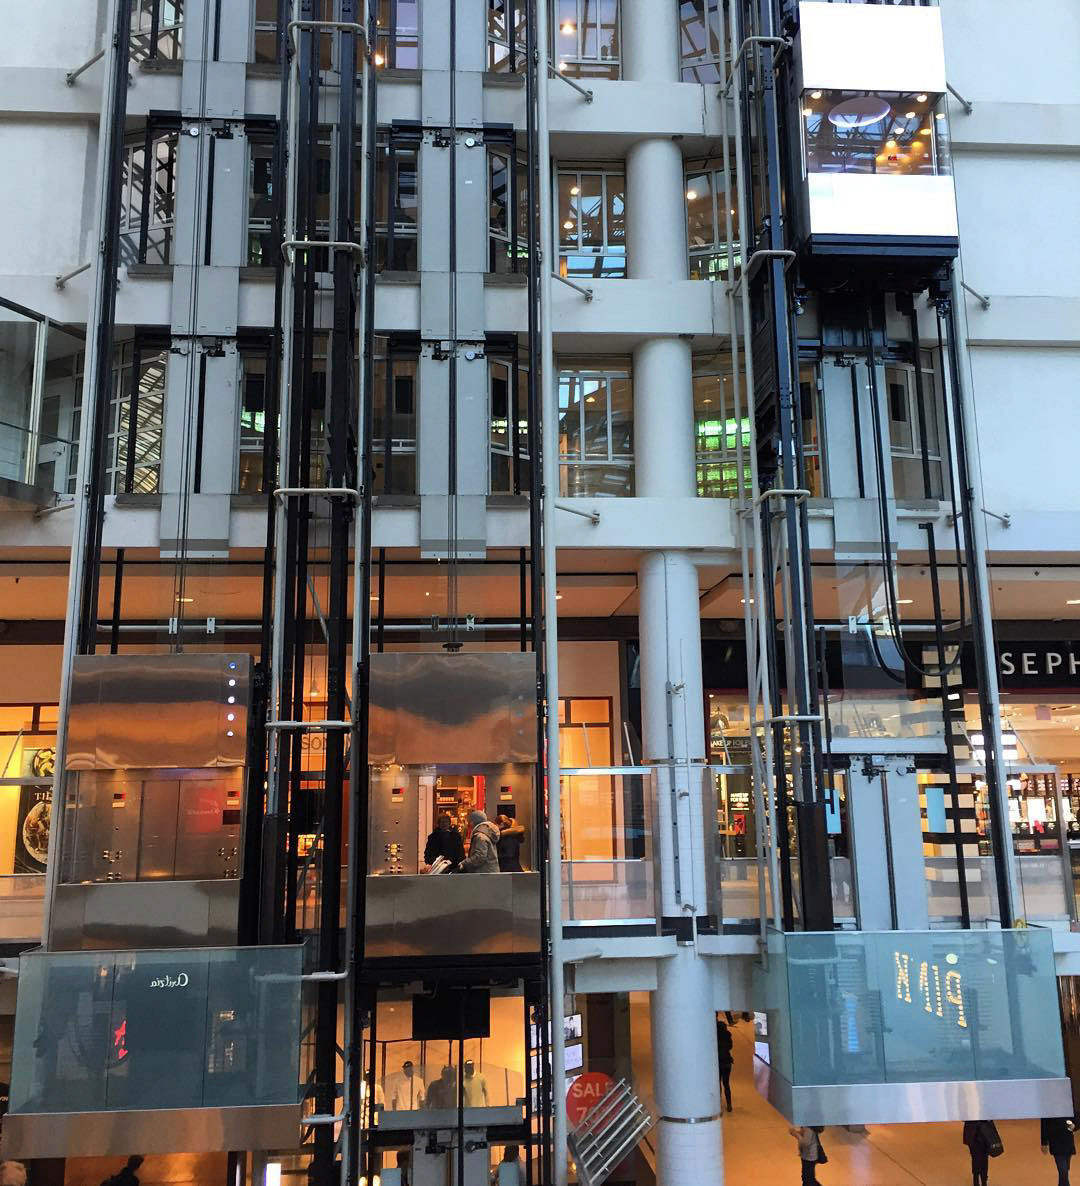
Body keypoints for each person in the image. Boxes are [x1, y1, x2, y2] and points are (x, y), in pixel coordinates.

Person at [963, 1120, 1001, 1186]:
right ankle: (977, 1179)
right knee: (976, 1157)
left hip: (983, 1130)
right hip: (973, 1131)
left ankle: (982, 1180)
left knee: (982, 1158)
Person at [1042, 1116, 1077, 1186]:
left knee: (1065, 1170)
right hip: (1055, 1140)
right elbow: (1044, 1122)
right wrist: (1044, 1142)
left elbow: (1077, 1116)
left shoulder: (1069, 1105)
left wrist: (1075, 1125)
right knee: (1063, 1170)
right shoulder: (1048, 1107)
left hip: (1068, 1140)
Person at [715, 1017, 734, 1112]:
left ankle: (717, 1104)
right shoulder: (727, 1036)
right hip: (727, 1062)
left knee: (717, 1083)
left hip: (718, 1062)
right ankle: (729, 1104)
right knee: (726, 1084)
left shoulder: (715, 1037)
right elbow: (730, 1047)